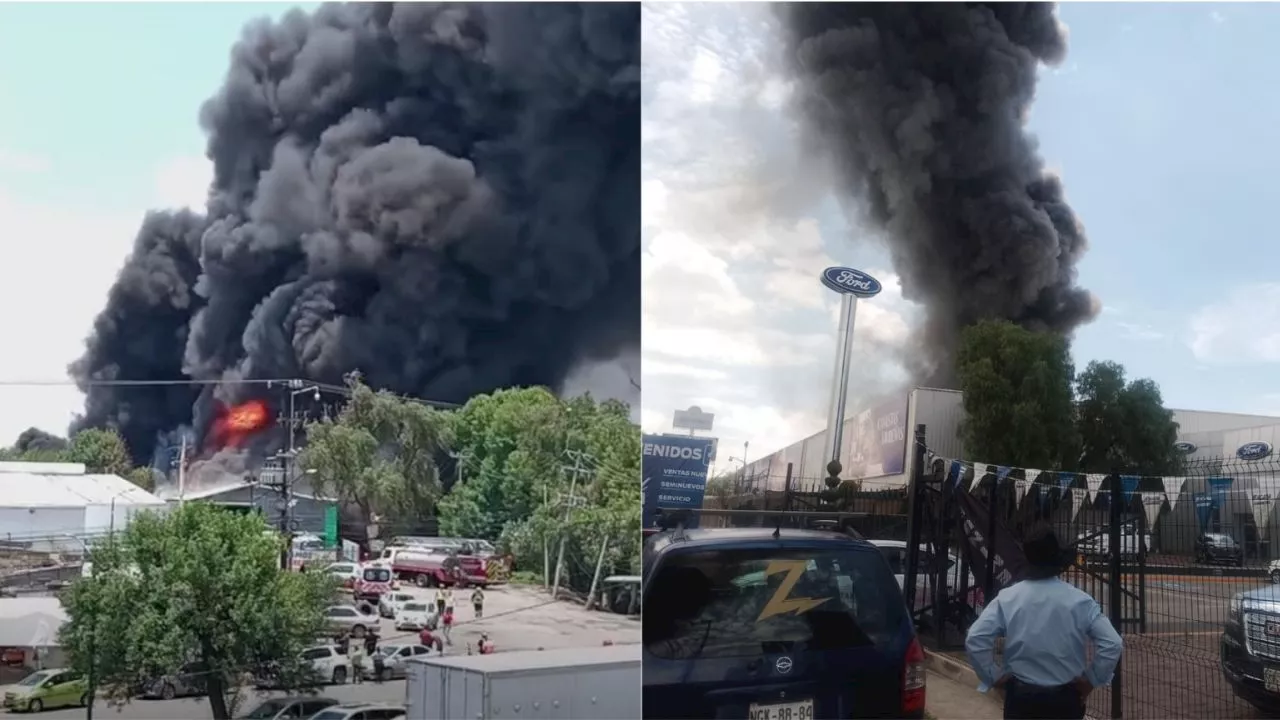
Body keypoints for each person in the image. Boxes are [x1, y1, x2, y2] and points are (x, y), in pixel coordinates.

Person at [965, 525, 1124, 720]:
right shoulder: (1081, 601)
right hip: (1065, 699)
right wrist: (1091, 680)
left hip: (1021, 698)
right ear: (1059, 561)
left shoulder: (1008, 597)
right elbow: (1113, 643)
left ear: (1029, 558)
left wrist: (993, 676)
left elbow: (975, 638)